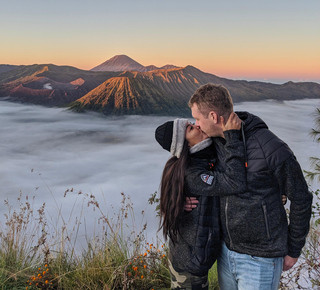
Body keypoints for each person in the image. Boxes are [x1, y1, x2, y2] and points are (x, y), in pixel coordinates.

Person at [186, 83, 313, 290]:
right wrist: (182, 199)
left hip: (260, 259)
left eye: (198, 118)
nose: (196, 124)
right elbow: (199, 177)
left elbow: (301, 198)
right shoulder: (215, 145)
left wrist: (294, 250)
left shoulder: (270, 148)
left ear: (213, 116)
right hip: (226, 252)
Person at [155, 113, 245, 290]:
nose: (197, 126)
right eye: (190, 128)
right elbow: (235, 182)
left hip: (187, 254)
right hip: (190, 262)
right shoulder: (193, 173)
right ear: (184, 144)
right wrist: (232, 138)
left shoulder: (194, 162)